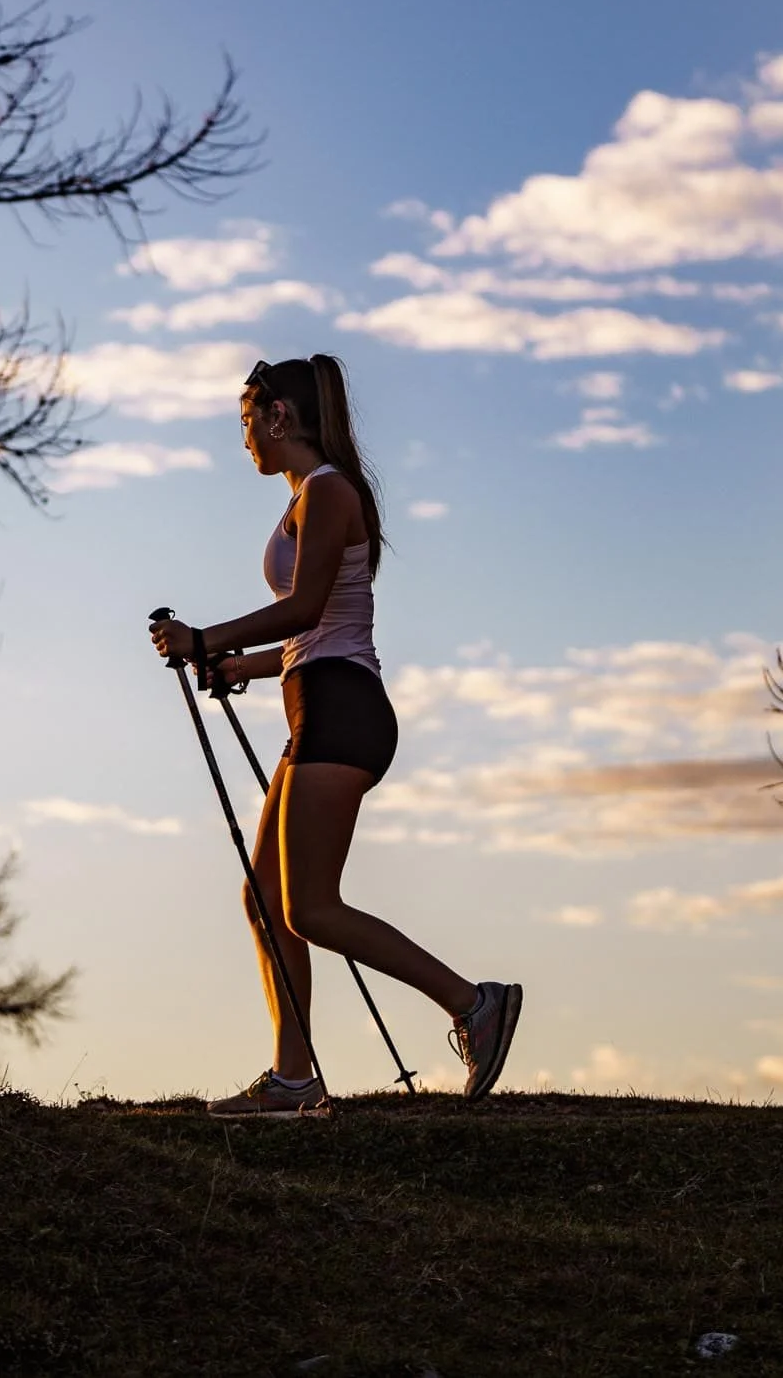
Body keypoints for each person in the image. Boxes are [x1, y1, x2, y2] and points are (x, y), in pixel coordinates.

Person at [150, 354, 521, 1115]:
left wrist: (205, 640)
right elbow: (310, 630)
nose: (244, 437)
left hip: (341, 708)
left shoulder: (329, 492)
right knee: (266, 898)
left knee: (310, 907)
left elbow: (309, 608)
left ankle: (473, 1003)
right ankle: (294, 1077)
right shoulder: (307, 499)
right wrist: (239, 665)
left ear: (280, 416)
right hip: (315, 702)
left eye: (247, 419)